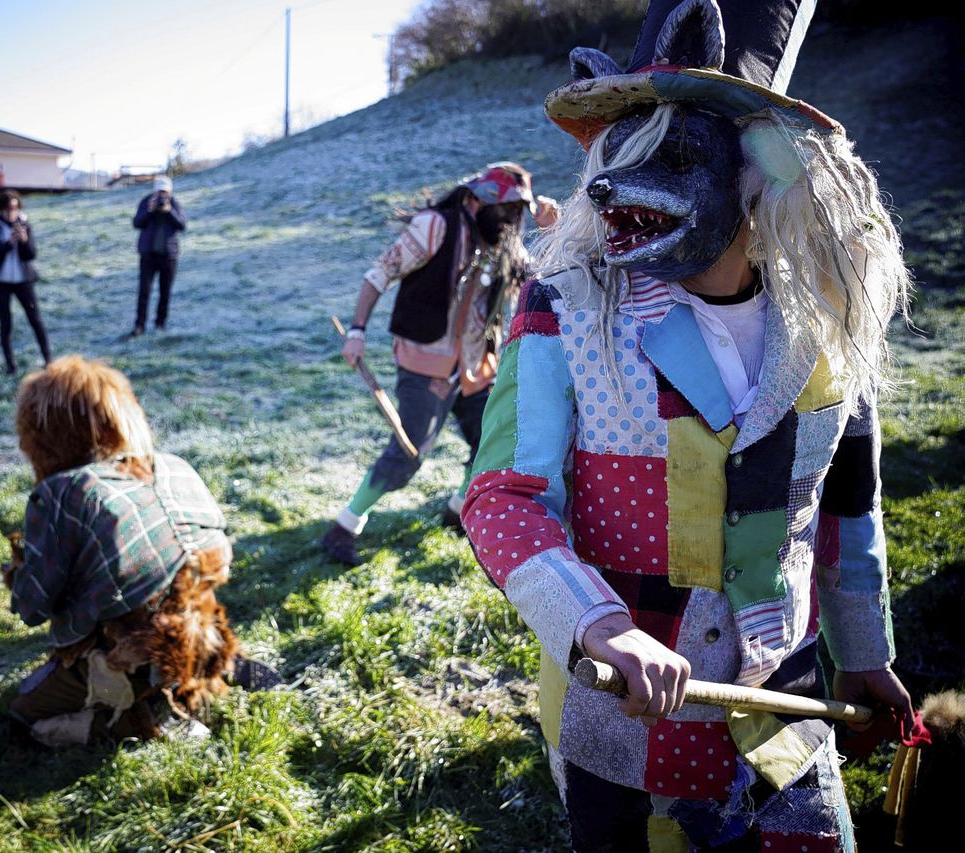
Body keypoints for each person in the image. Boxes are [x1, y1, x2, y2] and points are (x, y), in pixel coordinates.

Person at [464, 1, 915, 849]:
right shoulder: (563, 312)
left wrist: (867, 650)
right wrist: (600, 623)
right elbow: (502, 497)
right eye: (614, 158)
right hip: (625, 731)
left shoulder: (826, 317)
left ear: (759, 168)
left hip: (786, 708)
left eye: (671, 155)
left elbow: (849, 505)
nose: (607, 190)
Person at [5, 355, 275, 747]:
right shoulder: (173, 465)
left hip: (130, 653)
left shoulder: (62, 492)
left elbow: (32, 607)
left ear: (42, 437)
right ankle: (214, 666)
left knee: (24, 709)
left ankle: (146, 718)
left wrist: (20, 571)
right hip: (200, 629)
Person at [318, 163, 558, 566]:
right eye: (503, 208)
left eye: (517, 210)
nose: (509, 218)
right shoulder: (435, 226)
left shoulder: (506, 240)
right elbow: (381, 273)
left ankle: (456, 510)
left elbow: (541, 282)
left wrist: (552, 232)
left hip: (476, 365)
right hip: (425, 360)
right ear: (475, 198)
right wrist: (357, 331)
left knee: (490, 442)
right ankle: (344, 527)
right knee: (408, 454)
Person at [0, 190, 52, 374]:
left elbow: (31, 254)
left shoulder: (25, 225)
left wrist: (23, 241)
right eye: (8, 208)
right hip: (1, 282)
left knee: (36, 320)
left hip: (24, 281)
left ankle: (48, 360)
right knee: (5, 323)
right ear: (1, 209)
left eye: (14, 208)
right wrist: (9, 243)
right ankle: (10, 365)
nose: (11, 212)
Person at [129, 175, 186, 336]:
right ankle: (139, 325)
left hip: (169, 256)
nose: (162, 196)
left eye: (165, 192)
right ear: (155, 191)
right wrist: (150, 211)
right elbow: (137, 223)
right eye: (160, 192)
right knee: (144, 291)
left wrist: (169, 212)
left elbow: (182, 225)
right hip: (148, 255)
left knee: (165, 292)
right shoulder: (146, 202)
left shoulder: (174, 204)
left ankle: (160, 324)